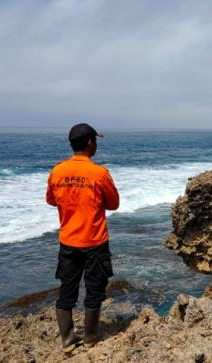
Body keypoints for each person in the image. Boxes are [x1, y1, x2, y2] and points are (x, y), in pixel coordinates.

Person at [46, 123, 120, 352]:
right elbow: (114, 204)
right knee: (95, 288)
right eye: (95, 141)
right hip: (94, 241)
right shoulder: (99, 173)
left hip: (68, 241)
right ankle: (90, 337)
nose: (96, 145)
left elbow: (50, 200)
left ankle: (67, 339)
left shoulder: (57, 171)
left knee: (67, 289)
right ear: (90, 143)